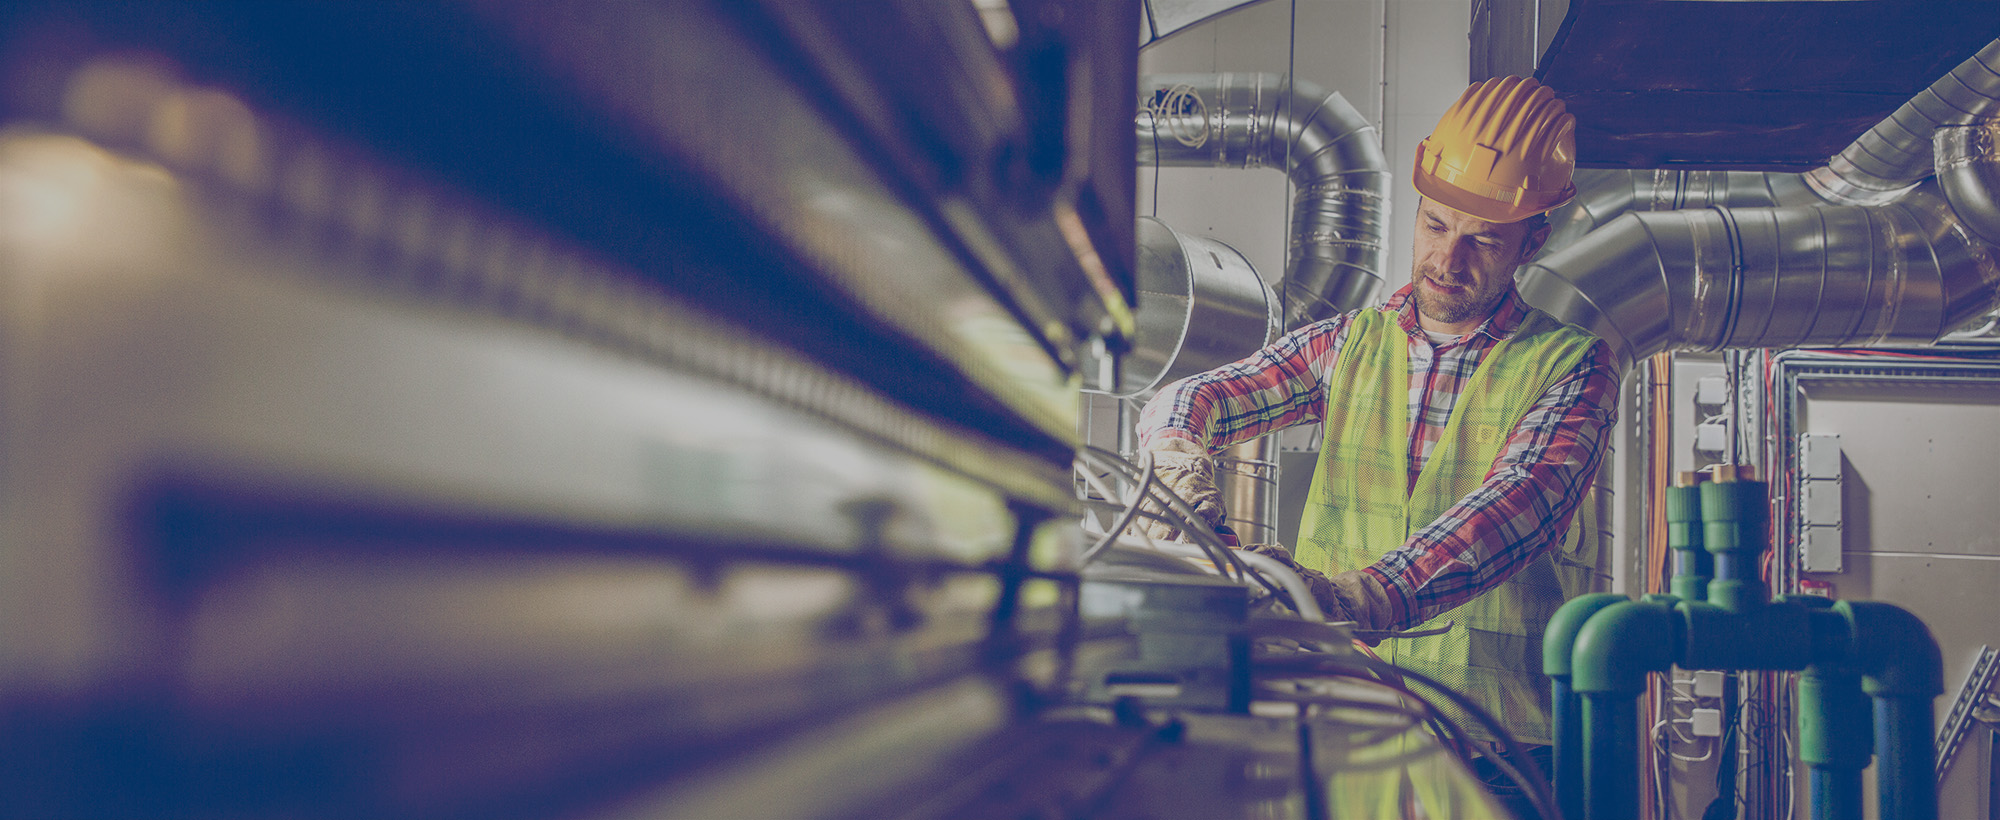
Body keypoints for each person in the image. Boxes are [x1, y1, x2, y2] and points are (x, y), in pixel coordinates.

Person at [1133, 76, 1619, 770]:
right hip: (1343, 727)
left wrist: (1345, 598)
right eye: (1436, 225)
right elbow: (1193, 397)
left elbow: (1516, 507)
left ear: (1532, 239)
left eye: (1483, 241)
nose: (1447, 261)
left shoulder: (1573, 367)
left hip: (1500, 749)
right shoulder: (1348, 343)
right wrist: (1178, 466)